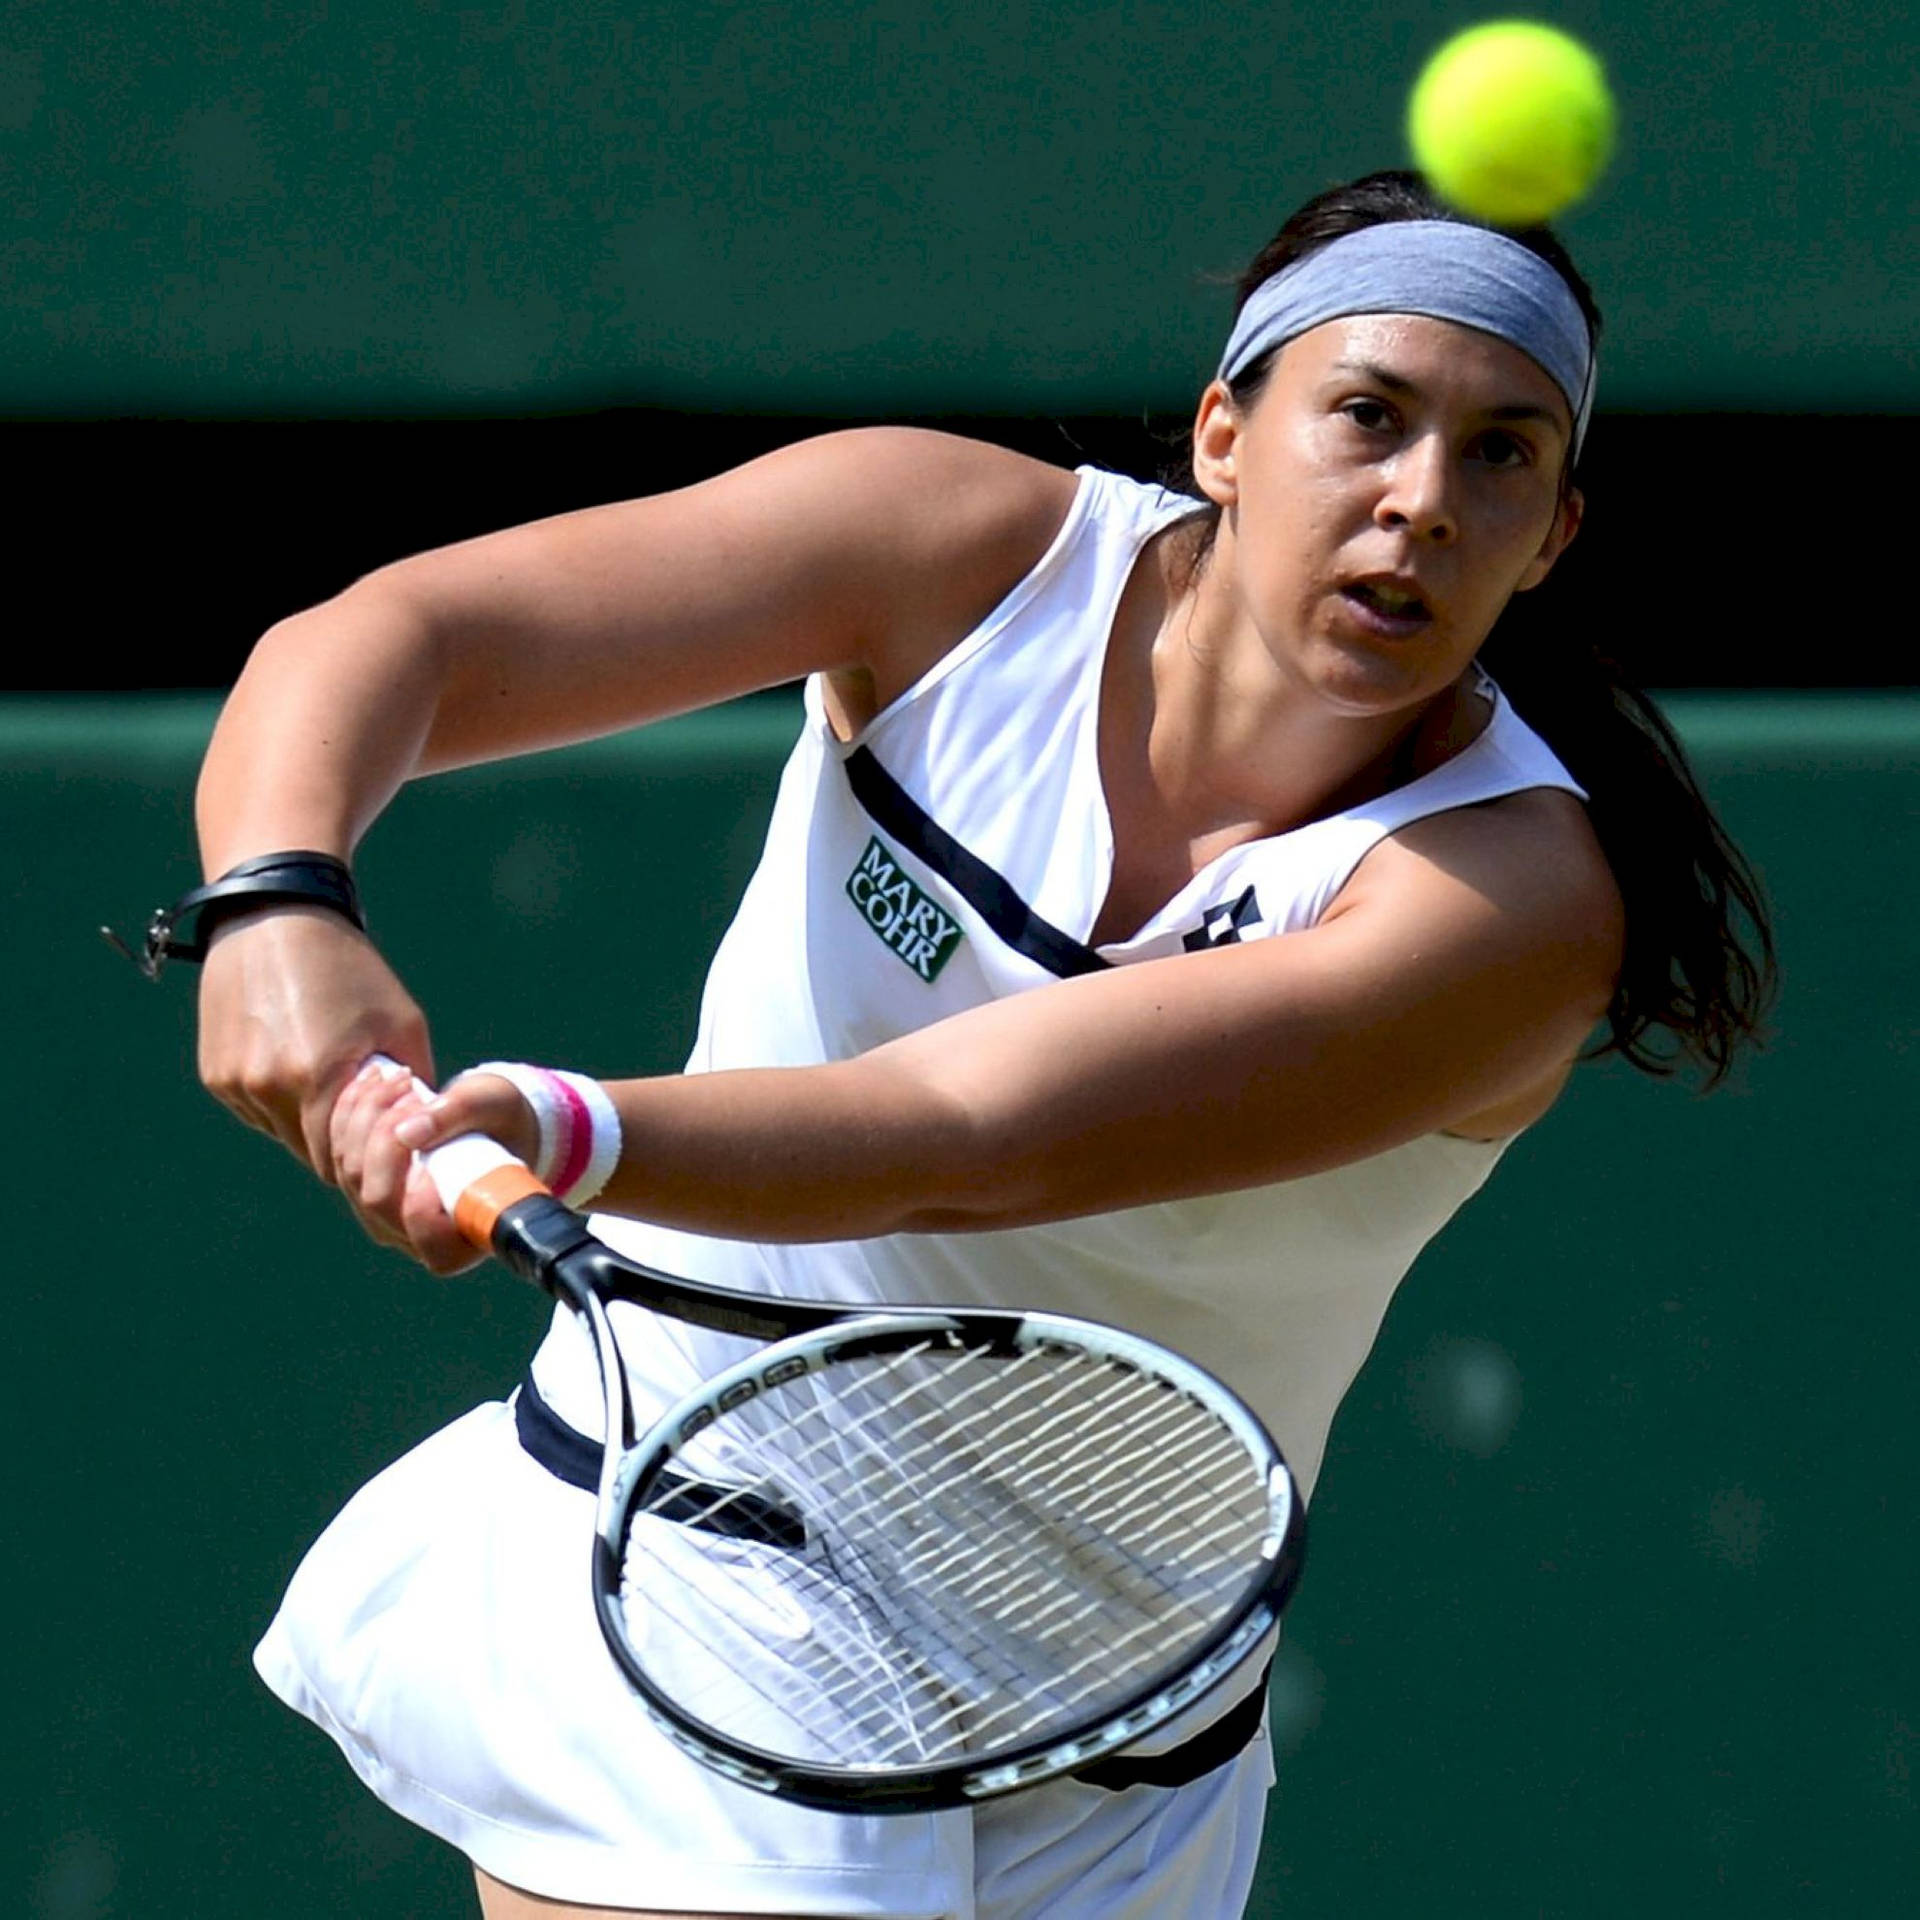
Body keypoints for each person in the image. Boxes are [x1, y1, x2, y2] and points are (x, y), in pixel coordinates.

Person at [188, 172, 1772, 1920]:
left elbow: (981, 1126)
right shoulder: (951, 545)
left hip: (1117, 1740)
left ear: (1553, 536)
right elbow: (402, 639)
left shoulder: (1514, 905)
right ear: (1225, 434)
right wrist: (278, 905)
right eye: (1370, 419)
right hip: (710, 1538)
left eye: (1501, 456)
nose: (1419, 503)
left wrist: (553, 1129)